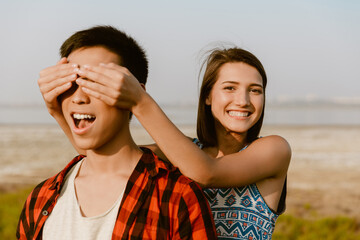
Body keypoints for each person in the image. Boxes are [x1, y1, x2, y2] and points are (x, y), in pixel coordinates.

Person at [40, 44, 291, 238]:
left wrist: (140, 101)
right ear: (207, 96)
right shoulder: (184, 152)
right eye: (230, 88)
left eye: (255, 90)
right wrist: (56, 111)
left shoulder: (274, 149)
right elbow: (100, 156)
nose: (243, 100)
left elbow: (207, 172)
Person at [16, 25, 217, 240]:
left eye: (95, 82)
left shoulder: (177, 198)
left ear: (131, 91)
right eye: (70, 83)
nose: (78, 98)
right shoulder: (41, 199)